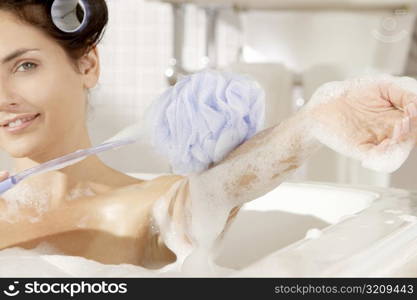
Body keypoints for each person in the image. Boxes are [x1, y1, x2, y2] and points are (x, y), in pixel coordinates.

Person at [0, 0, 416, 270]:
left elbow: (219, 188)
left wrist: (315, 121)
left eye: (25, 66)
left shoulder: (145, 209)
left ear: (88, 65)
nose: (4, 98)